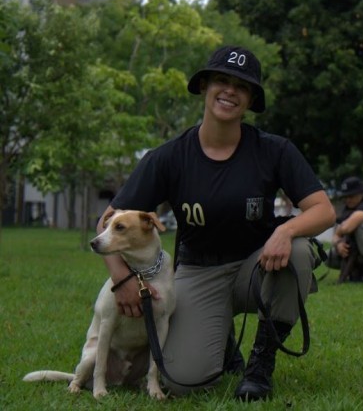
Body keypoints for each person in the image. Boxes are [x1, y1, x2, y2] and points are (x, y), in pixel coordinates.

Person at [96, 45, 336, 401]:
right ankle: (222, 343)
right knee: (181, 381)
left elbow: (324, 211)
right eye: (221, 81)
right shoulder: (169, 157)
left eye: (241, 86)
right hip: (198, 271)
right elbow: (108, 220)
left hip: (258, 266)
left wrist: (285, 230)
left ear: (251, 98)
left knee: (298, 252)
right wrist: (123, 278)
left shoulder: (274, 150)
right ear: (204, 87)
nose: (230, 91)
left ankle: (260, 366)